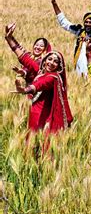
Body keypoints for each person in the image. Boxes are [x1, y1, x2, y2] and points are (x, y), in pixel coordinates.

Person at [5, 23, 73, 154]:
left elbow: (41, 84)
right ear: (45, 59)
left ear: (59, 67)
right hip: (34, 114)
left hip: (44, 117)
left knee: (43, 150)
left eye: (55, 61)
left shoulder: (53, 77)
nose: (51, 63)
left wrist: (26, 90)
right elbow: (24, 57)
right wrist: (9, 38)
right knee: (31, 147)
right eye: (49, 59)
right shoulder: (40, 71)